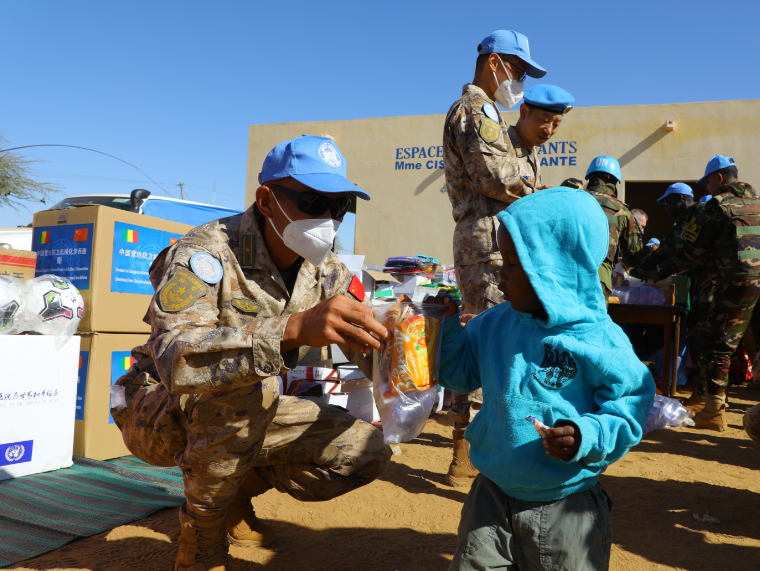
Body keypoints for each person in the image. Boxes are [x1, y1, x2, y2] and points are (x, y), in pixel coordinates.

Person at [111, 135, 393, 570]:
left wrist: (414, 342)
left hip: (245, 411)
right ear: (266, 200)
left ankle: (232, 496)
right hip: (154, 406)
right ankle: (203, 540)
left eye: (340, 206)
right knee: (248, 387)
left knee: (364, 450)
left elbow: (369, 346)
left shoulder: (326, 270)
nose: (328, 220)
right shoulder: (206, 251)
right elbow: (174, 360)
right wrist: (292, 329)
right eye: (314, 203)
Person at [428, 187, 654, 571]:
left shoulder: (600, 340)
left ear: (554, 270)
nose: (500, 273)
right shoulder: (495, 323)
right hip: (491, 496)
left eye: (513, 263)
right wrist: (448, 330)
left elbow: (630, 407)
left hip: (567, 505)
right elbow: (461, 376)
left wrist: (586, 435)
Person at [442, 28, 574, 487]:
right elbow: (495, 177)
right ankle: (469, 452)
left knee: (496, 342)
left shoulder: (493, 116)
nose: (519, 81)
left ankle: (477, 447)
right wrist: (542, 194)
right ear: (494, 62)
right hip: (488, 248)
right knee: (487, 343)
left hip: (497, 246)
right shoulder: (476, 110)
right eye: (518, 70)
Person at [640, 155, 759, 431]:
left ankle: (714, 412)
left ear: (718, 178)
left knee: (718, 346)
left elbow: (691, 252)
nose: (706, 188)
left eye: (707, 182)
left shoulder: (717, 206)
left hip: (734, 284)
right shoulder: (757, 203)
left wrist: (659, 273)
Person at [629, 183, 715, 407]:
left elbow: (688, 253)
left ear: (680, 199)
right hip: (698, 286)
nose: (665, 207)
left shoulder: (703, 214)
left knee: (708, 340)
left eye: (668, 202)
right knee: (696, 339)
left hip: (714, 285)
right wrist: (634, 273)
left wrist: (659, 273)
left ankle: (708, 398)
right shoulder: (681, 224)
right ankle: (701, 395)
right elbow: (665, 250)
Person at [583, 156, 645, 297]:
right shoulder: (622, 211)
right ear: (615, 181)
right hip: (598, 280)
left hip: (562, 277)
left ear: (590, 177)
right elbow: (636, 254)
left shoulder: (573, 198)